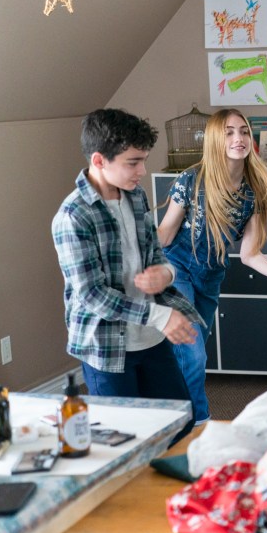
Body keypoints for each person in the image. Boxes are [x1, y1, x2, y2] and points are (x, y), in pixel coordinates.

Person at [157, 108, 267, 423]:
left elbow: (249, 253)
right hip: (177, 268)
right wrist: (138, 260)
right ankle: (199, 425)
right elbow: (164, 234)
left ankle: (171, 418)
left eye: (243, 131)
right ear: (216, 140)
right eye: (229, 132)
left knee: (189, 357)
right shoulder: (192, 180)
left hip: (211, 275)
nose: (238, 138)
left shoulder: (255, 189)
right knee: (192, 354)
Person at [51, 108, 199, 429]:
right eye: (133, 162)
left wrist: (166, 273)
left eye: (144, 160)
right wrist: (161, 315)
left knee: (180, 426)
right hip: (106, 349)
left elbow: (154, 252)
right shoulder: (73, 217)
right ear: (99, 160)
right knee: (124, 436)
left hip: (151, 339)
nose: (143, 171)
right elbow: (93, 296)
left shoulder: (135, 196)